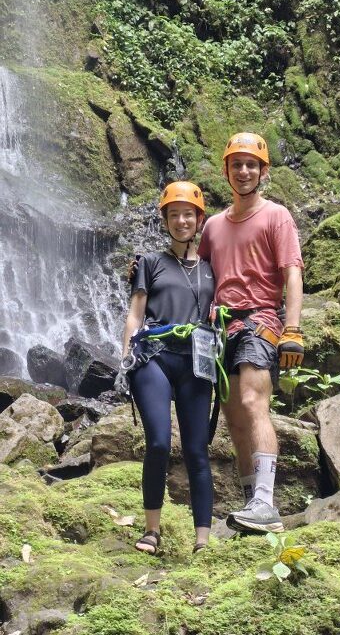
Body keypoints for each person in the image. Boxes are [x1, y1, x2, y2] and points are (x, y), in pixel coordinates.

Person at [198, 132, 304, 533]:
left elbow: (292, 274)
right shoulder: (212, 226)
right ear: (226, 170)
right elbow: (196, 276)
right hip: (220, 328)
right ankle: (251, 506)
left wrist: (293, 329)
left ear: (263, 171)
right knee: (234, 418)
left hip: (261, 320)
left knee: (252, 401)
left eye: (251, 165)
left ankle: (265, 502)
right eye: (237, 164)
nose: (244, 171)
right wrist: (145, 273)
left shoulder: (277, 216)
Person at [120, 181, 215, 555]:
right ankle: (152, 531)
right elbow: (135, 313)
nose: (181, 221)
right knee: (158, 442)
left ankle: (203, 540)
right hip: (153, 356)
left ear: (199, 220)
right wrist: (126, 357)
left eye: (188, 214)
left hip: (196, 360)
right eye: (174, 215)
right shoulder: (149, 262)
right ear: (165, 220)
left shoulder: (211, 268)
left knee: (197, 450)